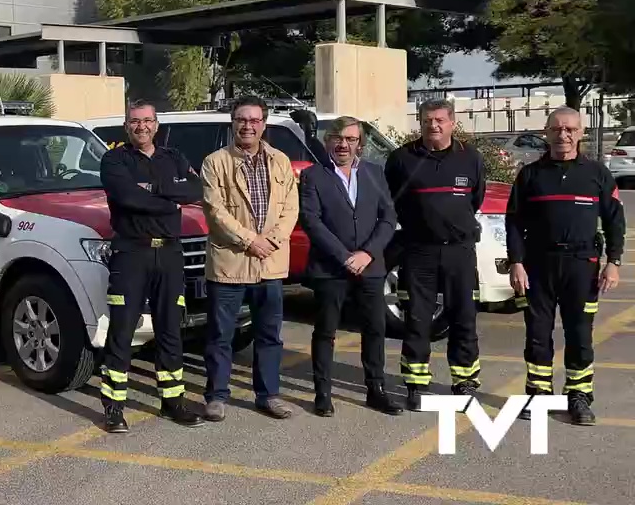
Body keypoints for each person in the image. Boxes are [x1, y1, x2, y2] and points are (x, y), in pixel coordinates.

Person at [506, 106, 623, 426]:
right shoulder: (530, 175)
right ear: (546, 133)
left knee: (580, 334)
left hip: (582, 265)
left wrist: (613, 262)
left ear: (581, 133)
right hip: (537, 265)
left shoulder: (597, 173)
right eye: (557, 129)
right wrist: (516, 262)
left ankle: (579, 395)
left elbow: (615, 221)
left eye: (570, 129)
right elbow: (514, 222)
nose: (564, 135)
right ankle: (539, 394)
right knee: (538, 334)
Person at [96, 99, 207, 434]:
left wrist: (156, 189)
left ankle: (172, 401)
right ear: (126, 126)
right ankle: (114, 406)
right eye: (134, 121)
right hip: (132, 253)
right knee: (123, 331)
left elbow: (196, 190)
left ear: (156, 124)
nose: (141, 126)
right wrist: (169, 195)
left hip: (170, 255)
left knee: (171, 330)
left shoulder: (173, 157)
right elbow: (128, 199)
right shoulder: (114, 159)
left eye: (147, 120)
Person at [199, 95, 300, 421]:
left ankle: (268, 395)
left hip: (270, 263)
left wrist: (270, 241)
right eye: (242, 119)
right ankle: (216, 396)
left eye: (254, 120)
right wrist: (250, 240)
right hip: (231, 263)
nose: (248, 126)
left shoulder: (280, 161)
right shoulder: (215, 162)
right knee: (220, 335)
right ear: (233, 123)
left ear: (263, 124)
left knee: (269, 335)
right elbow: (216, 212)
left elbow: (290, 208)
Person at [384, 99, 486, 411]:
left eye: (440, 120)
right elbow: (391, 201)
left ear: (453, 123)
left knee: (463, 318)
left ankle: (464, 380)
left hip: (459, 252)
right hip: (418, 252)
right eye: (428, 120)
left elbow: (475, 200)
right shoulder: (402, 159)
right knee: (417, 319)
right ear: (420, 123)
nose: (434, 126)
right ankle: (416, 383)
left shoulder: (471, 158)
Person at [298, 116, 403, 417]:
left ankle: (376, 389)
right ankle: (323, 393)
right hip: (330, 268)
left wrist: (367, 253)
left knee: (374, 329)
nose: (343, 144)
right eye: (337, 138)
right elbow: (311, 221)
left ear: (360, 143)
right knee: (326, 330)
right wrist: (345, 256)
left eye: (351, 139)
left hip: (370, 266)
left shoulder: (374, 173)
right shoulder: (313, 176)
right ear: (328, 140)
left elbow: (388, 217)